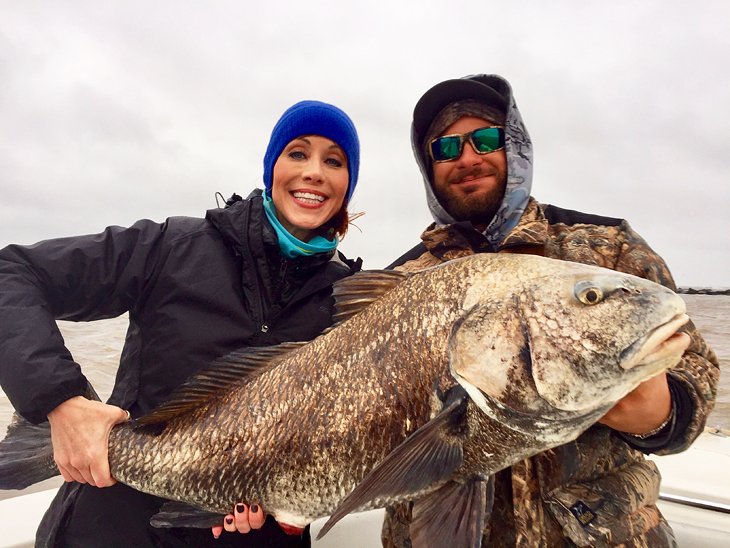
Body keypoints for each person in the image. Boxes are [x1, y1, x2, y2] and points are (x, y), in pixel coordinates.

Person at [0, 100, 363, 548]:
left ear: (348, 184)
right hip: (113, 528)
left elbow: (340, 444)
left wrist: (289, 516)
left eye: (334, 160)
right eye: (298, 153)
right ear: (271, 167)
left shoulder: (353, 303)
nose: (314, 171)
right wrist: (60, 402)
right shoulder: (172, 247)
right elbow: (12, 275)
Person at [381, 74, 719, 547]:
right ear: (427, 164)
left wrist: (662, 415)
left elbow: (696, 365)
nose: (468, 158)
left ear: (514, 145)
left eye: (485, 139)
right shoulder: (398, 284)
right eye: (446, 148)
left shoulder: (607, 247)